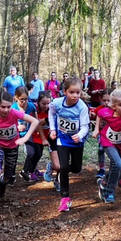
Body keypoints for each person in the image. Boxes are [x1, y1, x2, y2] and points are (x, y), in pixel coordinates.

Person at [48, 77, 90, 212]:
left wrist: (80, 135)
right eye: (72, 92)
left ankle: (55, 169)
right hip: (63, 140)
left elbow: (85, 126)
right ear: (65, 91)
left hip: (77, 141)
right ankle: (65, 198)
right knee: (64, 167)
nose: (75, 95)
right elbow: (51, 113)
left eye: (78, 92)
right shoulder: (57, 103)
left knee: (76, 168)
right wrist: (53, 129)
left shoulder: (82, 107)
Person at [32, 91, 61, 190]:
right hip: (51, 139)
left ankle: (58, 180)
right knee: (57, 165)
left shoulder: (55, 110)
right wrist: (44, 139)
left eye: (48, 103)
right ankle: (51, 166)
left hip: (62, 139)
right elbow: (39, 123)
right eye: (44, 103)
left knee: (62, 163)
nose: (46, 106)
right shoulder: (39, 111)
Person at [11, 86, 39, 182]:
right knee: (14, 155)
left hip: (27, 133)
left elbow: (36, 119)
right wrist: (16, 127)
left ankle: (24, 171)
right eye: (21, 99)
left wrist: (36, 129)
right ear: (16, 98)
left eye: (26, 99)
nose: (24, 102)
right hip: (15, 134)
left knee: (31, 153)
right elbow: (8, 122)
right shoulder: (12, 108)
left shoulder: (31, 106)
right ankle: (11, 175)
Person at [91, 89, 112, 179]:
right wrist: (92, 116)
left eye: (108, 100)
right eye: (104, 100)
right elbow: (93, 115)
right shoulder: (99, 109)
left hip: (112, 134)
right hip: (101, 133)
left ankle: (113, 168)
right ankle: (102, 168)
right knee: (101, 149)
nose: (106, 103)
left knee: (113, 151)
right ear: (100, 99)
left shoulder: (114, 109)